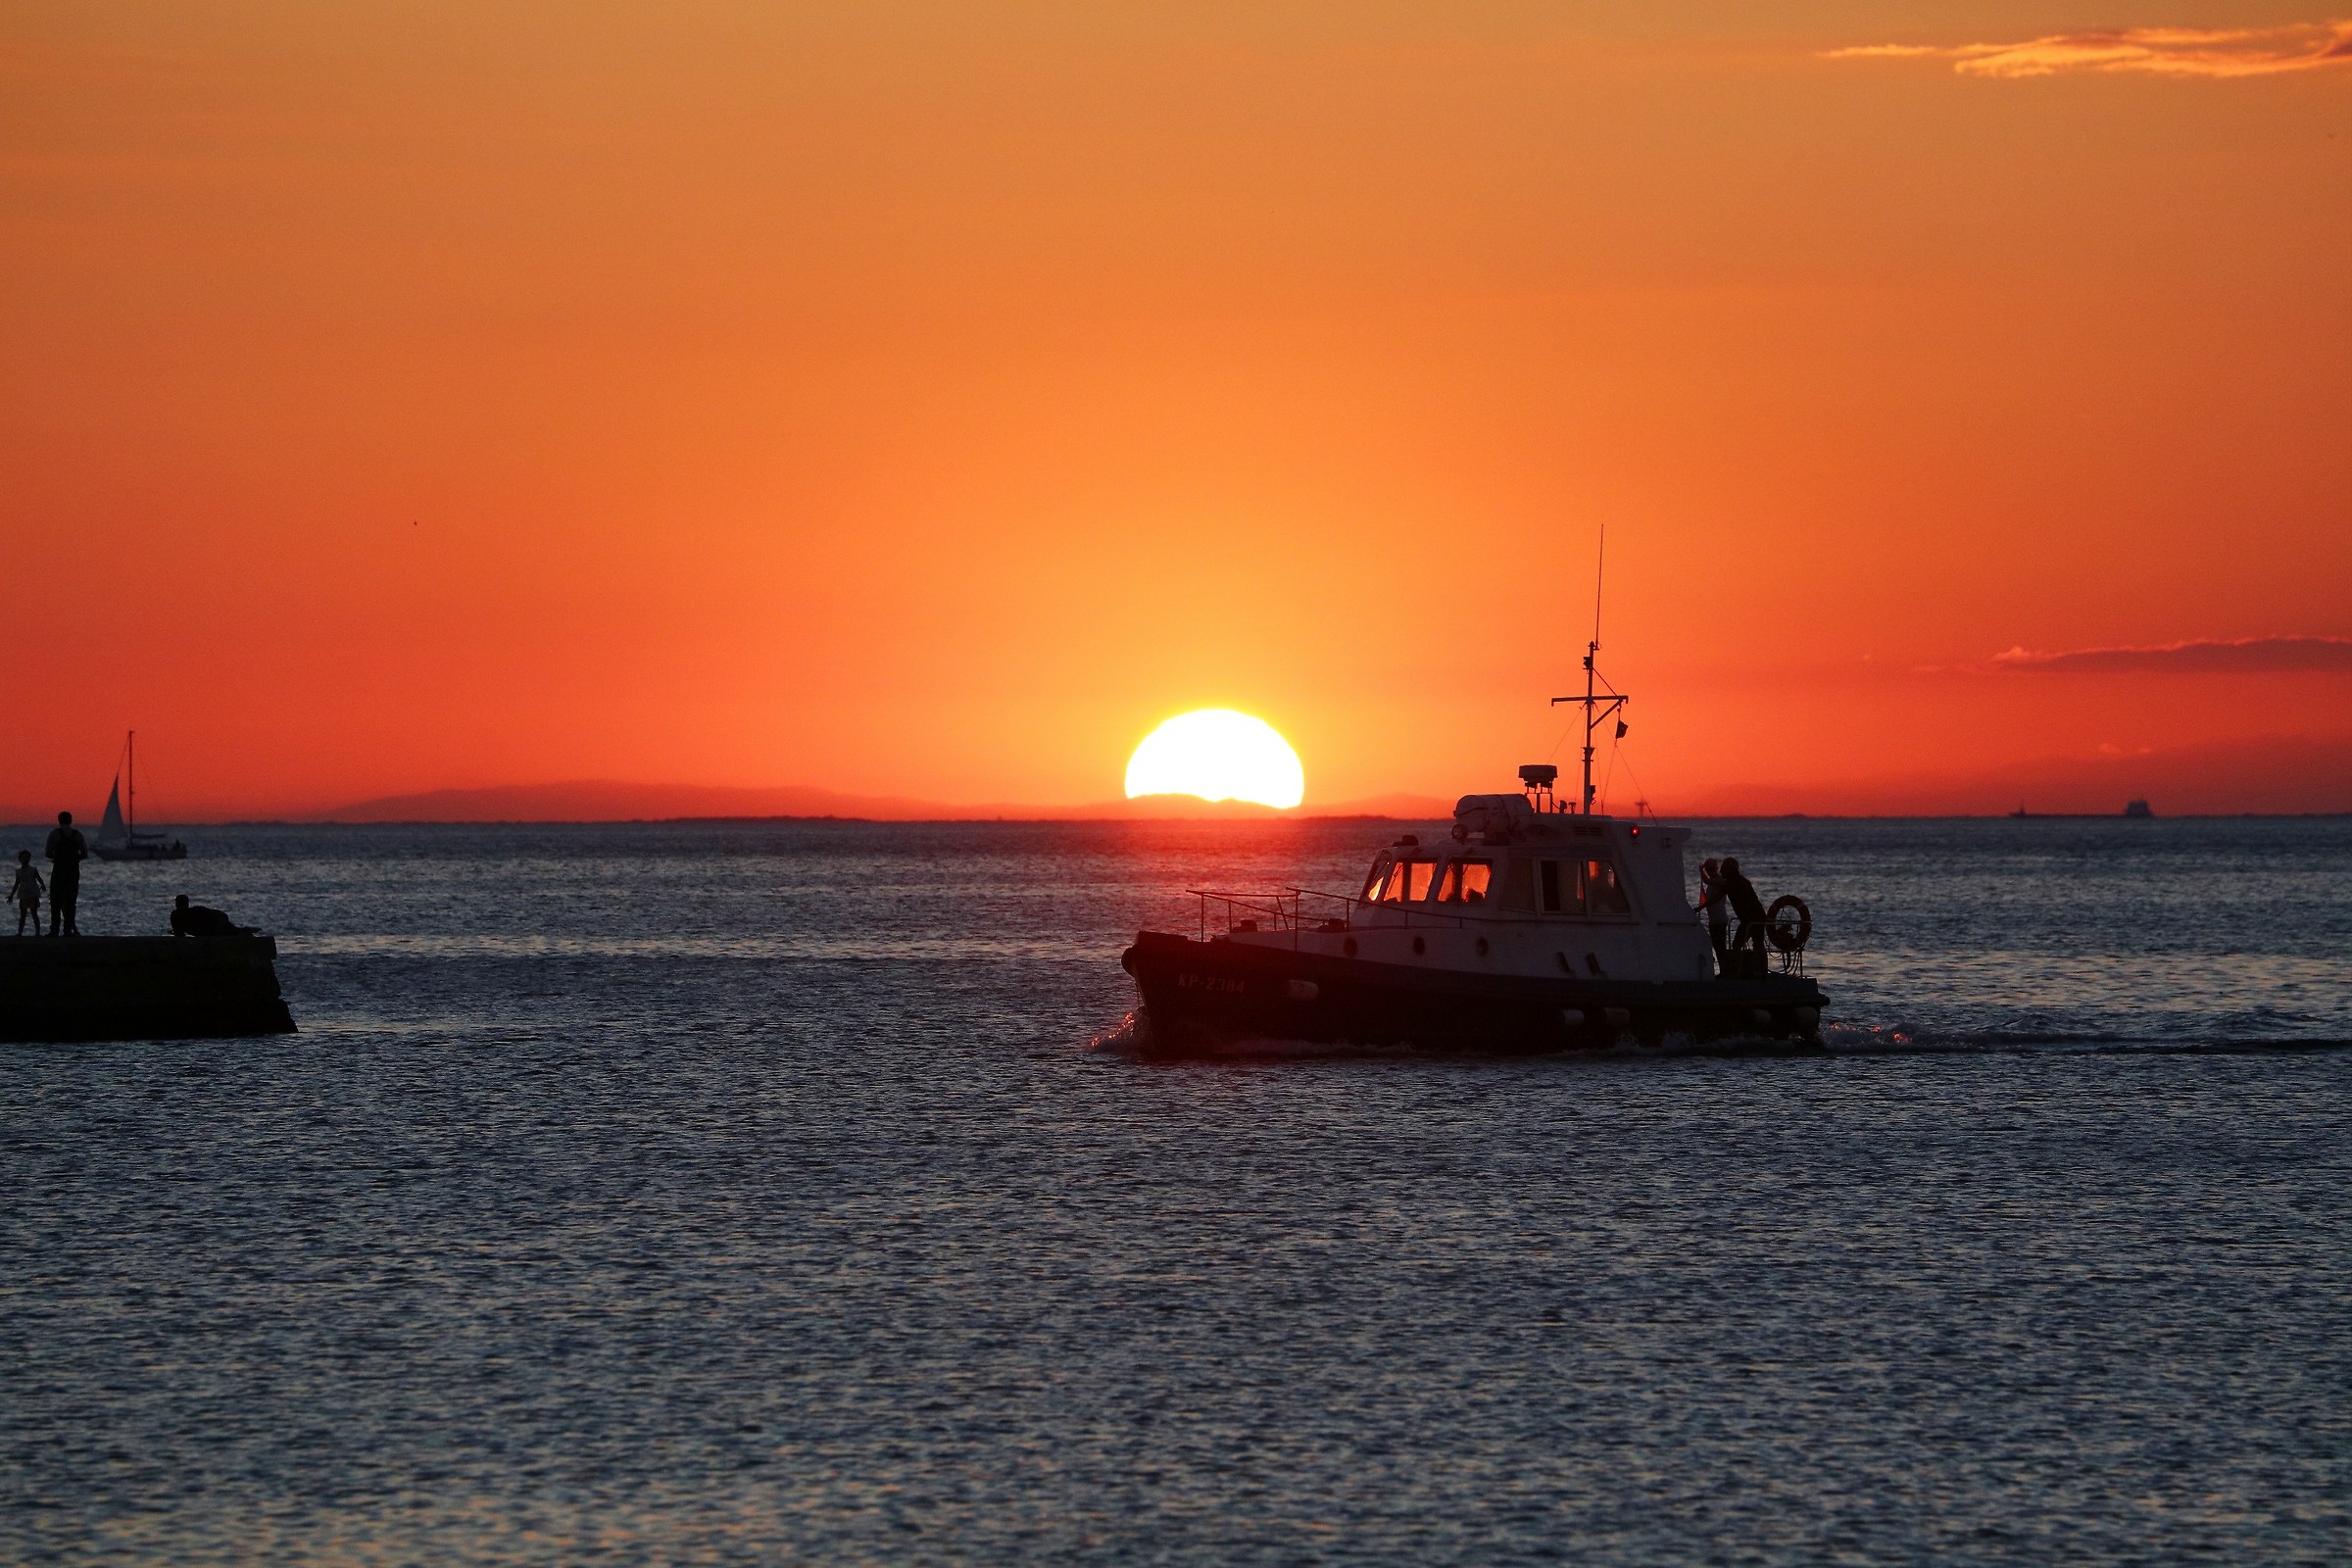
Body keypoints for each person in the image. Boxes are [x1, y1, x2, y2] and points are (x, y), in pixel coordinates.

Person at [1719, 856, 1767, 976]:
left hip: (1751, 919)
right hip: (1755, 917)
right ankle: (1762, 973)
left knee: (1739, 944)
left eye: (1723, 869)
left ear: (1729, 870)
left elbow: (1717, 896)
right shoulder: (1741, 881)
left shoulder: (1732, 882)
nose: (1720, 871)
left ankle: (1737, 973)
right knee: (1757, 944)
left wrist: (1701, 908)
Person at [44, 810, 86, 937]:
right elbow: (84, 853)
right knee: (71, 901)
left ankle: (54, 930)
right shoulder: (78, 835)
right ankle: (68, 930)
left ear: (59, 820)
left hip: (59, 870)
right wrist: (74, 858)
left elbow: (48, 853)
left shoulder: (54, 834)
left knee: (55, 900)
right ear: (71, 820)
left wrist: (57, 857)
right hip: (73, 871)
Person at [1696, 858, 1730, 974]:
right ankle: (1723, 970)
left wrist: (1701, 871)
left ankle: (1725, 971)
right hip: (1713, 920)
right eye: (1708, 869)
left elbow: (1707, 882)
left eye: (1712, 869)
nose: (1710, 871)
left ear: (1717, 869)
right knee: (1716, 947)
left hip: (1720, 919)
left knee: (1720, 947)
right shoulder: (1712, 884)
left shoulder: (1720, 881)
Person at [170, 894, 249, 938]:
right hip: (213, 925)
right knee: (231, 932)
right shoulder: (176, 916)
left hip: (216, 922)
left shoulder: (196, 912)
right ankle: (243, 931)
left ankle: (244, 931)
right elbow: (179, 934)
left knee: (232, 931)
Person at [9, 851, 44, 937]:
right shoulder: (19, 872)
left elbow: (39, 879)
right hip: (23, 895)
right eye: (24, 858)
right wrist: (11, 895)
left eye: (27, 858)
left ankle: (38, 933)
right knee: (23, 914)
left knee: (34, 913)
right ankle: (20, 932)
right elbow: (16, 884)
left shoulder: (33, 870)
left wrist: (43, 885)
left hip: (32, 894)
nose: (26, 860)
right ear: (20, 859)